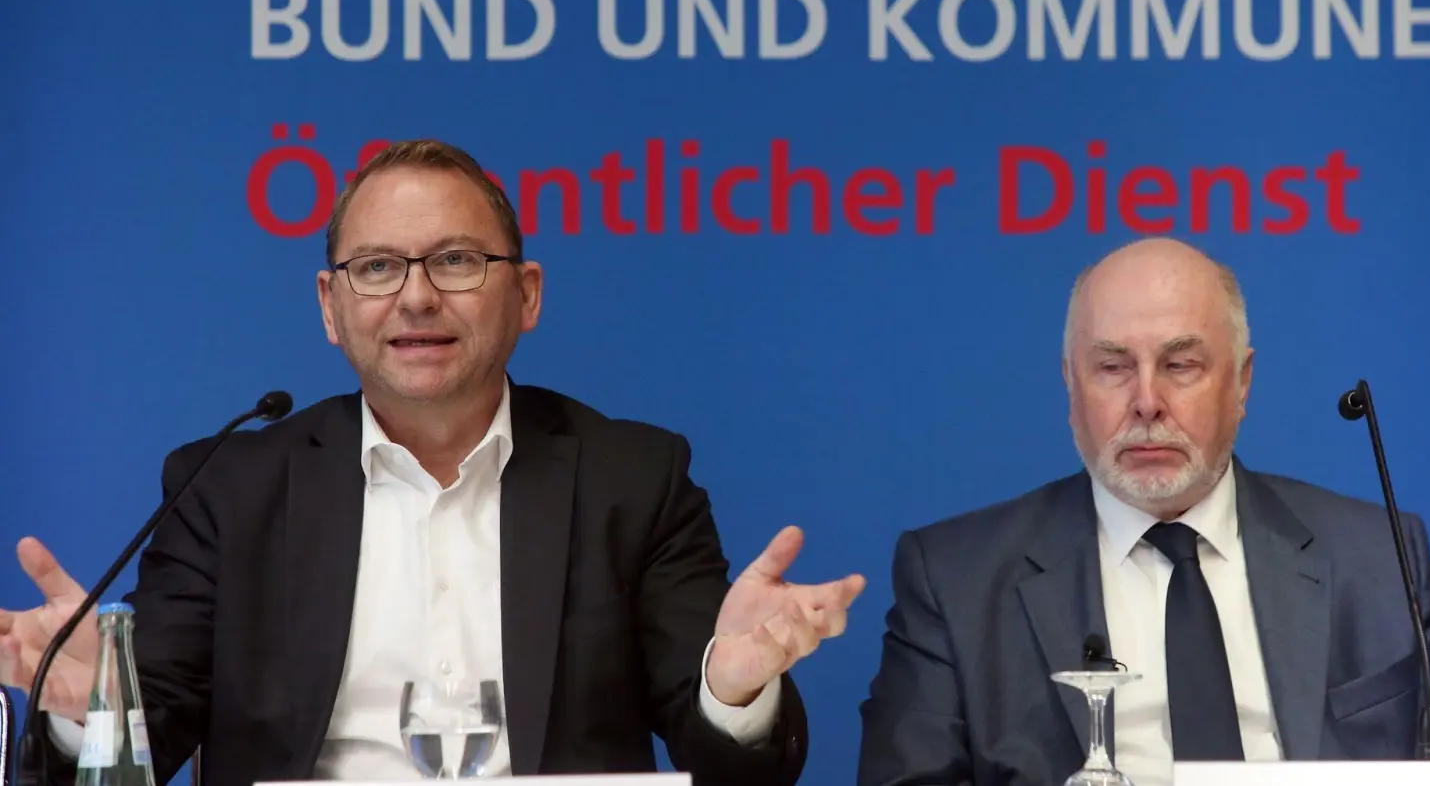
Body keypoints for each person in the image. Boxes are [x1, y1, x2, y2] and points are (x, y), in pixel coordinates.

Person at [1, 138, 866, 786]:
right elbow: (153, 737)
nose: (416, 295)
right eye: (377, 267)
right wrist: (91, 713)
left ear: (525, 293)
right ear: (332, 308)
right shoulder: (228, 486)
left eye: (455, 260)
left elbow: (734, 770)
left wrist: (730, 689)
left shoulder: (632, 480)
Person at [856, 237, 1430, 786]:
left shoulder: (1379, 556)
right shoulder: (956, 579)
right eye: (1113, 367)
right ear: (1070, 385)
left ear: (1242, 382)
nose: (1146, 402)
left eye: (1181, 365)